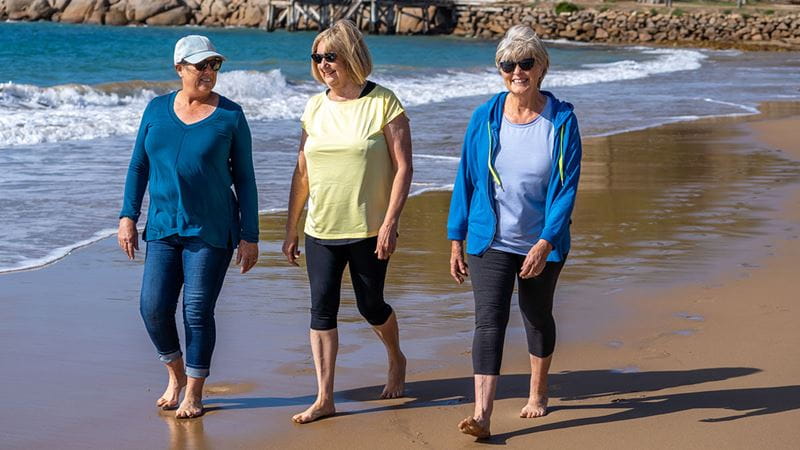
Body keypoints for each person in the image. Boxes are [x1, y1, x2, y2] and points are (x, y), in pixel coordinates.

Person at [447, 25, 582, 438]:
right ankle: (482, 414)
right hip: (490, 238)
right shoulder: (484, 117)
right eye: (508, 64)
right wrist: (456, 235)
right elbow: (466, 178)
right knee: (488, 320)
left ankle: (537, 393)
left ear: (541, 68)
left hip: (542, 240)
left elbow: (567, 189)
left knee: (536, 315)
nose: (516, 71)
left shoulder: (561, 121)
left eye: (525, 63)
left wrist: (545, 241)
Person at [118, 35, 259, 419]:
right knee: (152, 308)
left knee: (196, 309)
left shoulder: (231, 115)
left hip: (211, 229)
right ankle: (176, 376)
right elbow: (138, 166)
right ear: (180, 67)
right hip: (163, 225)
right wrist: (128, 216)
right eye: (201, 66)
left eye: (214, 65)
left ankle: (195, 392)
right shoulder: (155, 110)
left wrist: (250, 235)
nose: (209, 73)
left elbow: (245, 179)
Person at [282, 20, 413, 424]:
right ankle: (325, 397)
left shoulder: (384, 102)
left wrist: (391, 222)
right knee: (321, 311)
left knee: (370, 305)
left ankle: (395, 357)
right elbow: (302, 170)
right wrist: (291, 227)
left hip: (369, 228)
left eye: (331, 56)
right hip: (321, 228)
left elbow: (404, 167)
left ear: (352, 56)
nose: (323, 65)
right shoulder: (314, 105)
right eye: (317, 57)